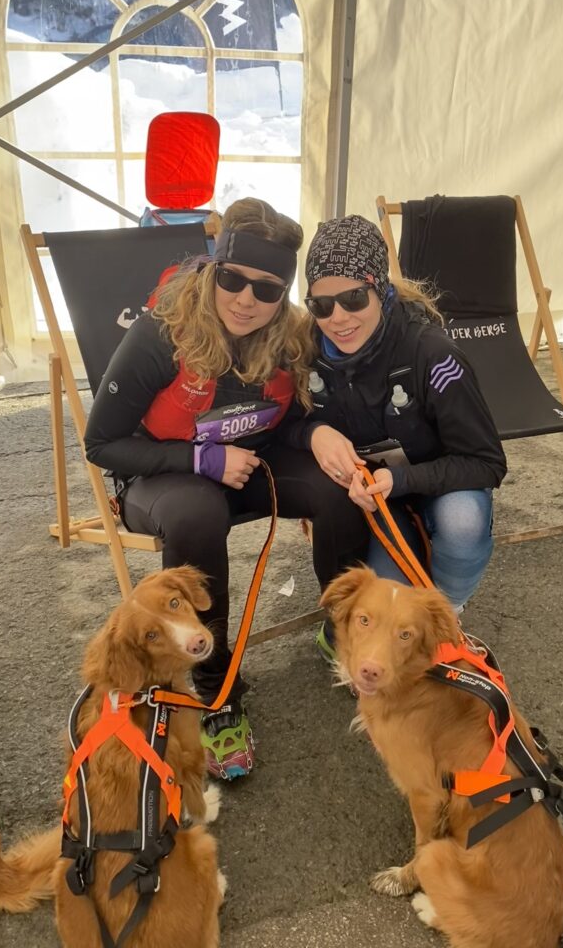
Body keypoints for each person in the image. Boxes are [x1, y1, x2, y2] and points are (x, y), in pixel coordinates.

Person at [84, 199, 369, 780]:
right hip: (164, 477)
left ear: (284, 295)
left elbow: (294, 419)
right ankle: (215, 692)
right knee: (197, 516)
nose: (245, 300)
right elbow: (101, 442)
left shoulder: (291, 336)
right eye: (232, 279)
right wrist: (201, 458)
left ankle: (343, 630)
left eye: (266, 289)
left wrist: (316, 433)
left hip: (251, 465)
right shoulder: (160, 334)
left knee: (340, 483)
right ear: (213, 270)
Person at [290, 214, 507, 660]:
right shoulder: (302, 349)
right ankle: (360, 621)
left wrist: (403, 480)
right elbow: (278, 424)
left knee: (463, 523)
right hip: (373, 501)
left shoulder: (433, 354)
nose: (338, 318)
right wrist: (314, 432)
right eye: (321, 304)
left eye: (353, 298)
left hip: (437, 485)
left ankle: (443, 616)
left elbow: (487, 462)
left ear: (381, 289)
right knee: (383, 604)